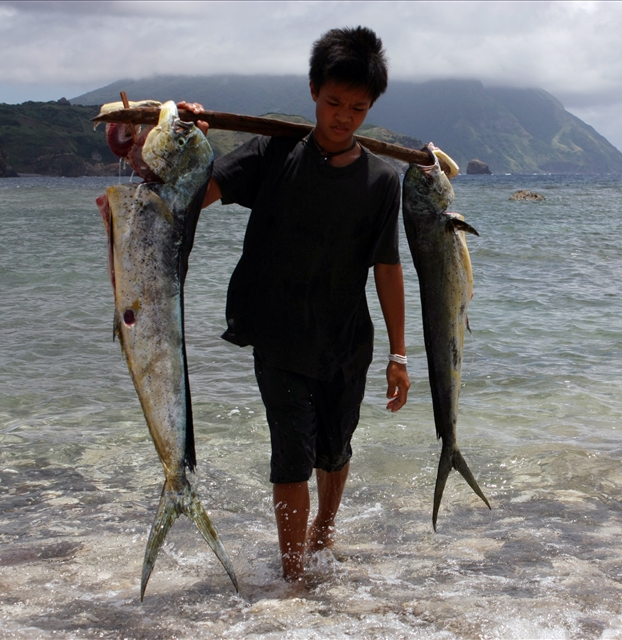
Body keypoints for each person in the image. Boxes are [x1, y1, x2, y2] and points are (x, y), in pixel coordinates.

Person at [181, 26, 409, 583]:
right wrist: (187, 140)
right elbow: (193, 194)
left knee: (335, 449)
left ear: (371, 106)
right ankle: (293, 576)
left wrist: (400, 354)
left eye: (358, 107)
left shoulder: (382, 180)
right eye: (333, 102)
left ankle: (323, 535)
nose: (343, 117)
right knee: (290, 452)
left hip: (347, 339)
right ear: (313, 91)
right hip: (279, 336)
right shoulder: (272, 153)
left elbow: (387, 266)